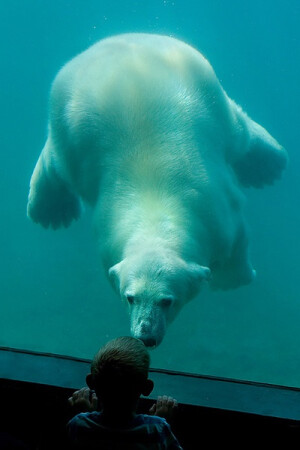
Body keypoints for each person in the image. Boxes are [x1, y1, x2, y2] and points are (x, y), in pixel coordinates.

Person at [67, 336, 182, 449]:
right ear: (147, 388)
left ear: (91, 382)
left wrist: (86, 416)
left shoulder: (78, 424)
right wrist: (161, 422)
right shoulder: (158, 429)